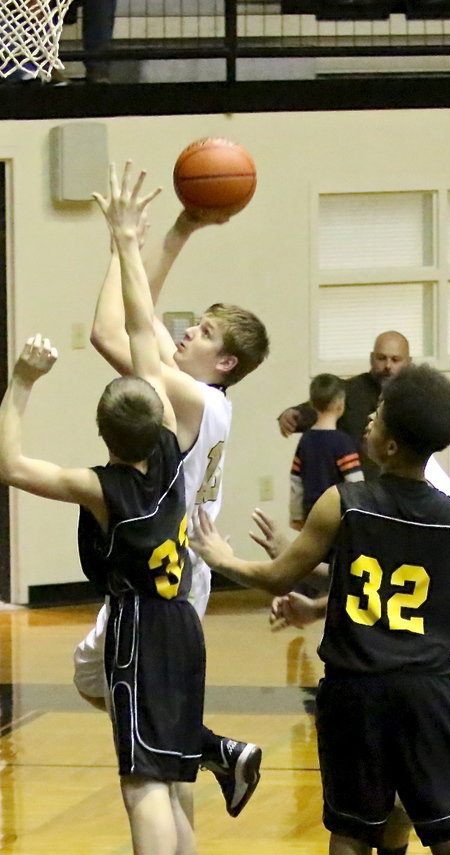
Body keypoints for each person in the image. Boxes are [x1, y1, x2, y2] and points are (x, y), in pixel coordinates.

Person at [0, 163, 233, 855]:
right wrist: (136, 244)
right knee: (167, 777)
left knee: (143, 784)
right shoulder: (175, 447)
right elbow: (136, 326)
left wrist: (20, 379)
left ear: (103, 431)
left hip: (135, 625)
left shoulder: (104, 485)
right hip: (185, 625)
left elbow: (7, 465)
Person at [192, 363, 450, 855]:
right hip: (427, 689)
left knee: (350, 823)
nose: (367, 419)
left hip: (354, 689)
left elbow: (279, 575)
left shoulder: (344, 502)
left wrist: (222, 556)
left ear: (388, 444)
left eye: (377, 416)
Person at [82, 202, 270, 820]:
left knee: (131, 708)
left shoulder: (191, 397)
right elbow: (125, 323)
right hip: (174, 566)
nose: (191, 331)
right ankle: (211, 766)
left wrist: (130, 244)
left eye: (207, 334)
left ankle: (213, 751)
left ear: (225, 364)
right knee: (122, 693)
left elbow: (126, 327)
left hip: (169, 571)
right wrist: (174, 234)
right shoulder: (195, 392)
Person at [277, 331, 411, 480]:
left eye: (395, 360)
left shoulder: (417, 398)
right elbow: (320, 406)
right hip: (355, 491)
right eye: (381, 358)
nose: (387, 366)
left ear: (408, 362)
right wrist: (293, 414)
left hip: (401, 489)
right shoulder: (351, 391)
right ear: (372, 359)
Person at [289, 373, 363, 531]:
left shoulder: (305, 440)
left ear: (312, 405)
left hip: (310, 512)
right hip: (336, 513)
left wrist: (296, 516)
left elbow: (296, 482)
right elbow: (355, 483)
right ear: (340, 404)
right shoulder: (343, 442)